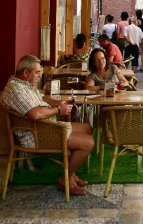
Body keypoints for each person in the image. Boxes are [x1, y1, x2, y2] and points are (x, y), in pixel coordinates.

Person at [0, 55, 94, 196]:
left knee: (87, 128)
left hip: (46, 127)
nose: (39, 75)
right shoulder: (16, 90)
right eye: (37, 72)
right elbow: (35, 115)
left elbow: (41, 97)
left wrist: (59, 103)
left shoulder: (24, 84)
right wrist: (58, 110)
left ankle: (71, 172)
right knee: (88, 142)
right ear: (26, 72)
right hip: (36, 135)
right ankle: (66, 178)